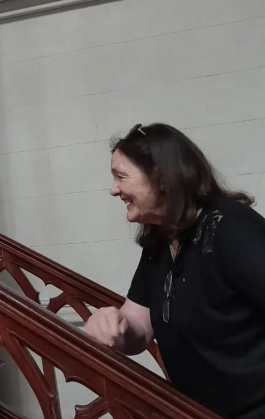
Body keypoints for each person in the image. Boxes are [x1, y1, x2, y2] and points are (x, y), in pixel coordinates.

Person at [84, 123, 265, 419]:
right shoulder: (160, 242)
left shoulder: (229, 226)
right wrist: (115, 325)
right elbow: (138, 327)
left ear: (160, 177)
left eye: (121, 176)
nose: (114, 189)